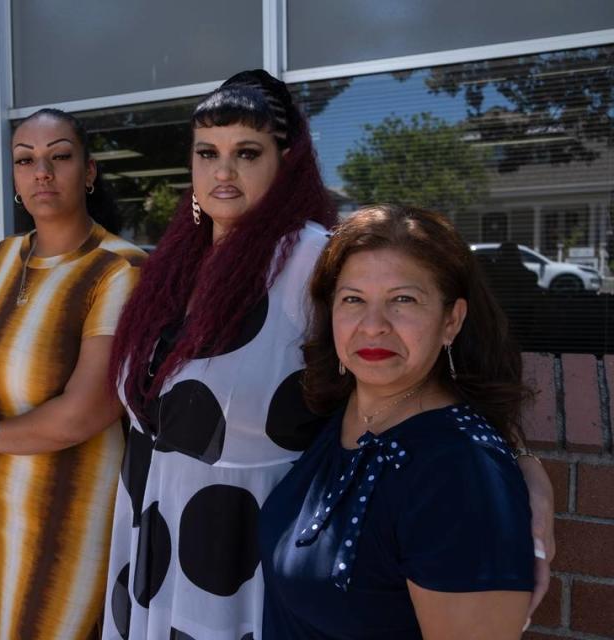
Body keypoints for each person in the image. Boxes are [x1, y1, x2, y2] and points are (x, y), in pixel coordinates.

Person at [102, 70, 555, 640]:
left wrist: (523, 471)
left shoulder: (309, 255)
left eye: (247, 152)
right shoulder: (173, 263)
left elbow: (427, 351)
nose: (222, 171)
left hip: (241, 556)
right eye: (206, 153)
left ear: (284, 163)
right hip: (151, 534)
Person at [259, 205, 535, 638]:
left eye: (403, 300)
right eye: (353, 300)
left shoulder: (459, 471)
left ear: (452, 320)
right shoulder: (341, 411)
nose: (373, 326)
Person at [0, 108, 146, 640]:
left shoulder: (119, 268)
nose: (42, 172)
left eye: (60, 156)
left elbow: (85, 413)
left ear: (89, 171)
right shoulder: (3, 258)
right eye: (25, 160)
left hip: (72, 512)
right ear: (12, 177)